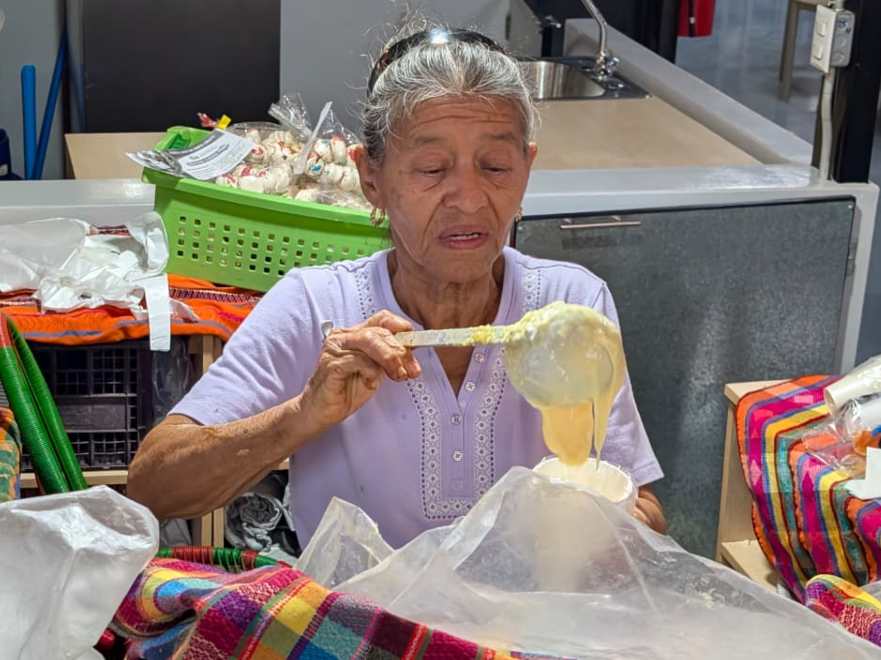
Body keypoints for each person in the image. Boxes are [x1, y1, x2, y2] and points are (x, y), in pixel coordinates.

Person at [128, 26, 666, 549]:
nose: (469, 198)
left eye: (495, 166)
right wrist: (301, 415)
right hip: (360, 629)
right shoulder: (318, 307)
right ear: (371, 180)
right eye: (432, 169)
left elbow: (637, 504)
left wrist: (617, 524)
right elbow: (153, 486)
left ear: (527, 168)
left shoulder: (571, 306)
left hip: (519, 626)